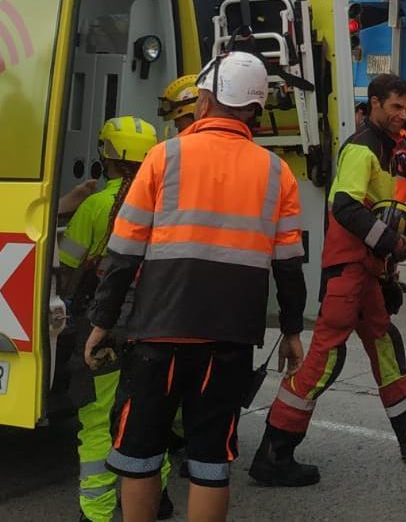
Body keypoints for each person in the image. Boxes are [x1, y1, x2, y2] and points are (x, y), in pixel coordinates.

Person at [84, 51, 309, 522]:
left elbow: (123, 252)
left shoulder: (163, 157)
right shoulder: (277, 173)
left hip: (159, 332)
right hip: (229, 340)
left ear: (205, 99)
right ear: (254, 108)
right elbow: (288, 265)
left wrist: (103, 321)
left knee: (139, 452)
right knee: (211, 459)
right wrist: (291, 330)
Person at [252, 73, 406, 486]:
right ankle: (274, 454)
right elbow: (345, 207)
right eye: (395, 107)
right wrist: (393, 243)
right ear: (375, 104)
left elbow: (374, 205)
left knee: (386, 348)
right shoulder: (363, 148)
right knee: (325, 359)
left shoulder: (382, 147)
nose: (402, 115)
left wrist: (388, 262)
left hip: (364, 274)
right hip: (350, 272)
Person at [58, 116, 173, 522]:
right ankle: (155, 499)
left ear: (106, 156)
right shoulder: (166, 201)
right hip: (155, 323)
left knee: (96, 420)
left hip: (105, 326)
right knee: (147, 416)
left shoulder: (94, 206)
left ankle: (97, 512)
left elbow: (68, 267)